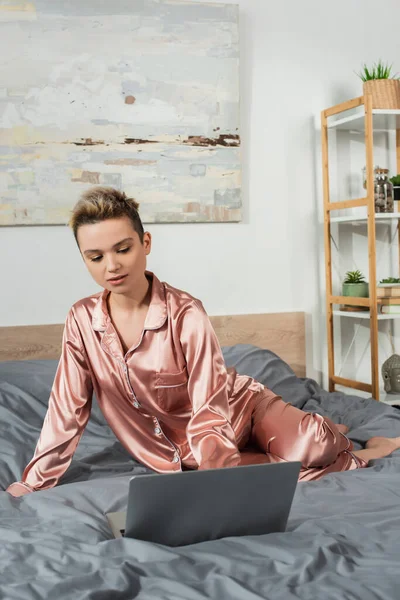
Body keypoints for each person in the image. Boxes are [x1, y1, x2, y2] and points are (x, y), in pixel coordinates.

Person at [6, 187, 400, 497]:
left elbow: (210, 406)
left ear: (146, 243)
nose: (111, 266)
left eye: (122, 249)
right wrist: (35, 482)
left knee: (311, 448)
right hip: (179, 453)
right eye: (95, 256)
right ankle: (326, 440)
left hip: (239, 411)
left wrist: (214, 486)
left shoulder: (185, 312)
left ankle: (345, 440)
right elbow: (66, 412)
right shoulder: (81, 320)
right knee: (277, 471)